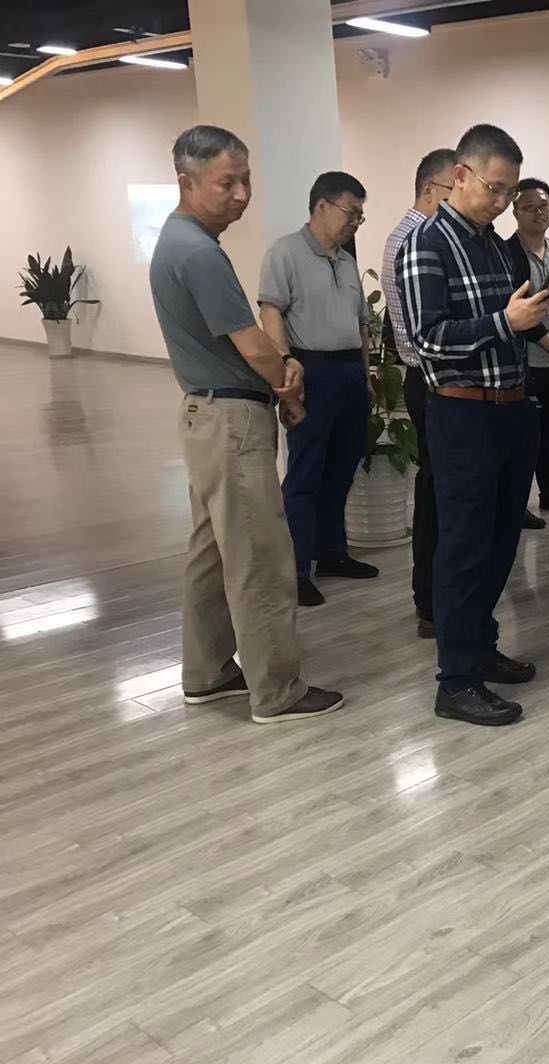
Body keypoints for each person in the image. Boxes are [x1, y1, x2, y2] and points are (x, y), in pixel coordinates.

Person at [150, 125, 343, 724]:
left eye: (246, 179)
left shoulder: (179, 240)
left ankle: (208, 672)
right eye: (226, 182)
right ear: (187, 183)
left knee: (213, 551)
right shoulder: (198, 253)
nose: (241, 194)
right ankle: (277, 691)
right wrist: (288, 382)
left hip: (207, 415)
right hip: (231, 420)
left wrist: (279, 371)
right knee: (259, 557)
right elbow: (253, 345)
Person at [396, 123, 549, 726]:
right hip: (461, 412)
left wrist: (526, 318)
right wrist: (505, 322)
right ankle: (456, 680)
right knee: (463, 547)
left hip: (511, 408)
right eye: (495, 188)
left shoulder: (493, 244)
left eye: (511, 191)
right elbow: (428, 340)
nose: (503, 202)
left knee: (501, 539)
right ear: (460, 175)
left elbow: (509, 320)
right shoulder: (426, 244)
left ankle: (481, 647)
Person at [258, 171, 376, 608]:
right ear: (322, 206)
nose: (355, 222)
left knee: (341, 469)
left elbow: (361, 324)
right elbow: (271, 311)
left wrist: (365, 375)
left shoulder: (345, 260)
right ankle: (295, 570)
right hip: (310, 370)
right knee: (305, 473)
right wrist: (286, 367)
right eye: (351, 213)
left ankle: (332, 554)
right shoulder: (285, 252)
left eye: (360, 216)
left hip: (348, 373)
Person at [381, 147, 455, 639]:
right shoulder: (414, 240)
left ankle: (434, 595)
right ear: (430, 189)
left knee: (438, 491)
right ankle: (429, 600)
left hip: (431, 379)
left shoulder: (418, 236)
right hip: (428, 380)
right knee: (434, 493)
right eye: (456, 188)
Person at [507, 178, 549, 517]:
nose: (538, 213)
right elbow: (518, 312)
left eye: (543, 206)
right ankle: (517, 504)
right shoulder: (507, 254)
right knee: (525, 437)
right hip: (528, 360)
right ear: (515, 211)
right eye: (529, 207)